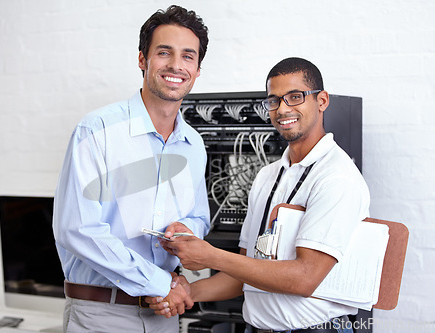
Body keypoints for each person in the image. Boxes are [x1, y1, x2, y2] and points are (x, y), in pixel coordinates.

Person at [148, 57, 370, 333]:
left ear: (322, 100)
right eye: (274, 100)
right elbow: (244, 273)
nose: (282, 109)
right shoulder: (268, 176)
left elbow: (305, 278)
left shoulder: (336, 177)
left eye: (295, 97)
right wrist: (188, 292)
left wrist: (211, 256)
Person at [52, 5, 210, 332]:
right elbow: (76, 228)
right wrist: (159, 282)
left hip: (164, 314)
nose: (176, 65)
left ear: (197, 70)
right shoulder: (96, 131)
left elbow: (200, 217)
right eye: (164, 52)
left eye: (188, 56)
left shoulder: (194, 145)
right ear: (143, 60)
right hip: (100, 315)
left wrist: (185, 229)